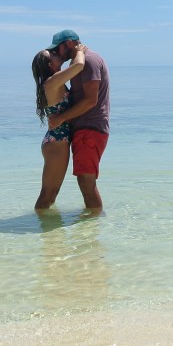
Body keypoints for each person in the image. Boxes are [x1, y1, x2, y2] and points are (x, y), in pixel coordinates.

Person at [45, 29, 110, 211]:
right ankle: (92, 221)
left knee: (86, 180)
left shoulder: (88, 60)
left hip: (90, 127)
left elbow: (90, 100)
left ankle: (93, 222)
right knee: (84, 179)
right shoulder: (78, 63)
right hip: (85, 128)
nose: (57, 53)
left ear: (69, 43)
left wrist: (61, 118)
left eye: (57, 49)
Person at [31, 41, 87, 210]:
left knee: (52, 193)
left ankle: (46, 224)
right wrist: (80, 50)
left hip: (56, 141)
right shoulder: (52, 82)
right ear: (50, 64)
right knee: (48, 193)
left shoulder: (53, 81)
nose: (56, 53)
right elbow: (79, 65)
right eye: (53, 54)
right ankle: (40, 222)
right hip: (57, 143)